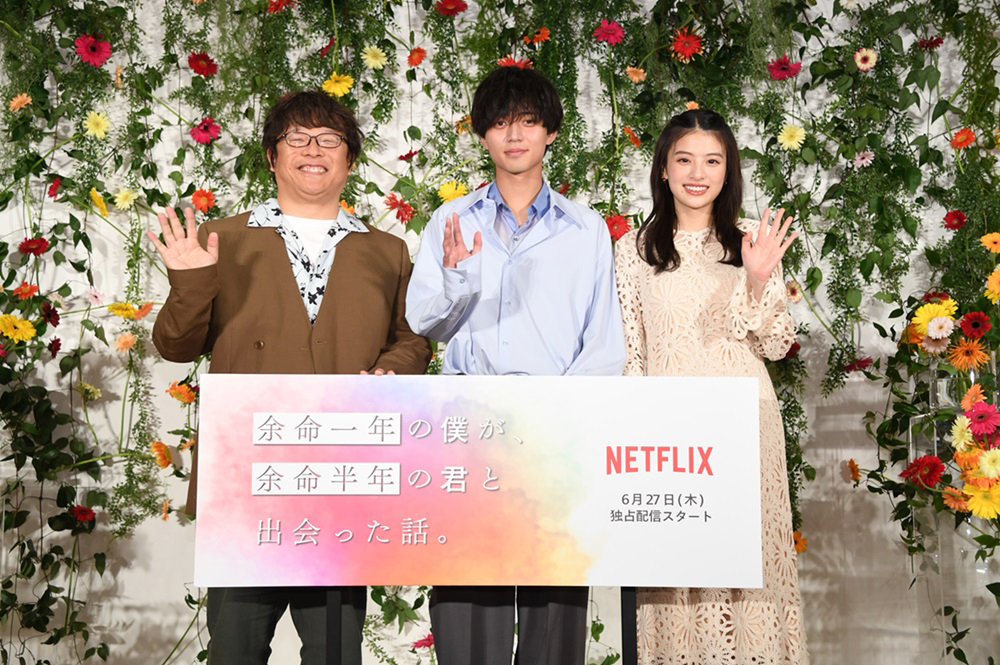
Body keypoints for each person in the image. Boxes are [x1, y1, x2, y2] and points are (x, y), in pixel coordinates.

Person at [148, 90, 432, 665]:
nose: (313, 150)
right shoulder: (220, 240)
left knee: (335, 652)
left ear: (350, 160)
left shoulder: (387, 250)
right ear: (272, 157)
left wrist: (388, 370)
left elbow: (412, 339)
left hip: (341, 474)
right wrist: (190, 283)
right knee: (235, 649)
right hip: (247, 474)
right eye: (296, 138)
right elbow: (175, 347)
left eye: (329, 139)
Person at [405, 66, 626, 664]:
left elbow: (603, 343)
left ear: (550, 131)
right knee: (468, 601)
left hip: (555, 436)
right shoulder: (452, 221)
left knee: (553, 610)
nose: (515, 134)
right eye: (500, 122)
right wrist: (457, 280)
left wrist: (563, 422)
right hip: (469, 432)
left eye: (528, 121)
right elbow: (426, 324)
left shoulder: (585, 229)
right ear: (482, 134)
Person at [614, 108, 807, 663]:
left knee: (749, 563)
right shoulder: (634, 248)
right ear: (664, 168)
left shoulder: (751, 241)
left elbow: (777, 344)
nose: (698, 173)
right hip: (669, 433)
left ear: (728, 170)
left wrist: (757, 279)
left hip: (745, 425)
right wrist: (636, 433)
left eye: (712, 161)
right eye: (684, 159)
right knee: (675, 568)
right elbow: (632, 351)